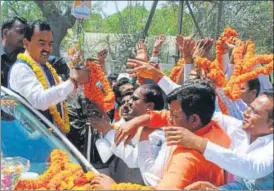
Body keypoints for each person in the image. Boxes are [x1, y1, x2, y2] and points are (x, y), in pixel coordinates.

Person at [94, 80, 231, 189]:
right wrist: (138, 122)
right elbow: (163, 116)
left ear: (194, 119)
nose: (169, 119)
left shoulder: (187, 158)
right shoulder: (210, 125)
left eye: (174, 115)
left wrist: (114, 188)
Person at [165, 91, 273, 190]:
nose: (246, 113)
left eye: (255, 112)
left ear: (271, 125)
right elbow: (195, 106)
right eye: (249, 107)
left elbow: (251, 168)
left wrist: (199, 143)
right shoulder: (238, 128)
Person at [9, 20, 89, 133]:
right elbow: (40, 100)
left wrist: (80, 74)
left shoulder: (46, 67)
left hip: (52, 140)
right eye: (42, 43)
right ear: (26, 43)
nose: (47, 49)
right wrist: (73, 81)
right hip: (33, 143)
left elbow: (61, 95)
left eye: (50, 44)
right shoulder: (21, 69)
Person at [89, 84, 165, 185]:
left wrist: (108, 131)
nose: (129, 102)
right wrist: (106, 123)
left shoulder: (157, 133)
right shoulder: (138, 126)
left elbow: (134, 160)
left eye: (134, 98)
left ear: (149, 106)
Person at [1, 16, 27, 87]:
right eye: (21, 31)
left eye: (26, 33)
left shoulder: (26, 56)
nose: (24, 36)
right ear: (5, 33)